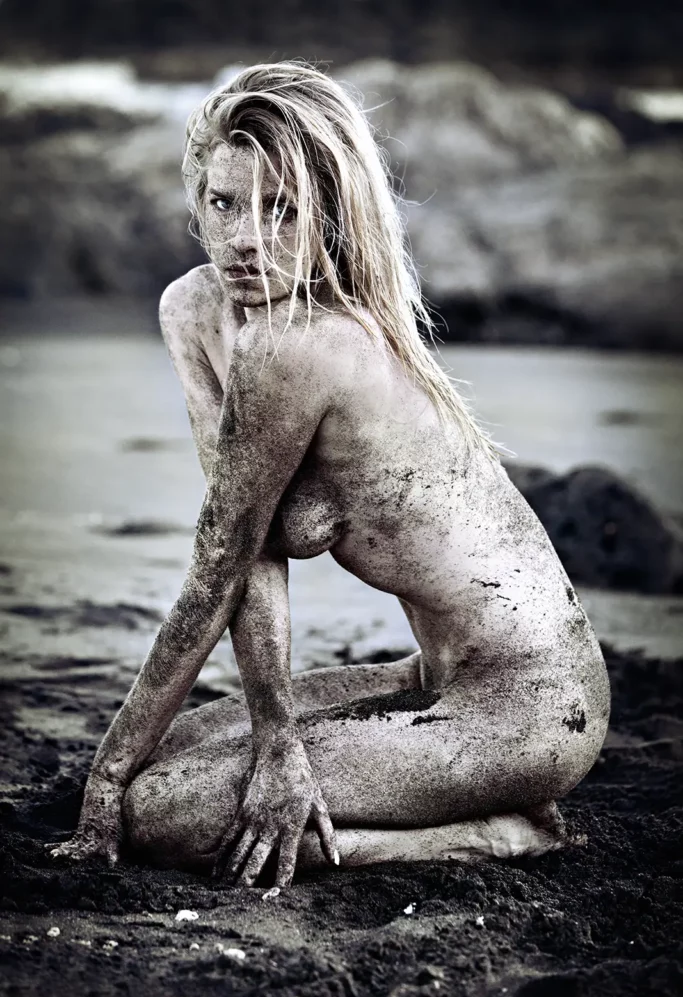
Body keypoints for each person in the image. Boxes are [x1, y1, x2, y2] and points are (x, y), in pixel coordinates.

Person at [49, 61, 610, 888]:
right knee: (161, 760)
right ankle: (436, 799)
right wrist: (259, 737)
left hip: (529, 705)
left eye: (282, 211)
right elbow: (240, 562)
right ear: (197, 199)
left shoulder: (306, 344)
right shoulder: (198, 310)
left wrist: (106, 786)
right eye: (223, 203)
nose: (244, 239)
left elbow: (212, 574)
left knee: (161, 812)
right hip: (424, 679)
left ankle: (497, 834)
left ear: (331, 216)